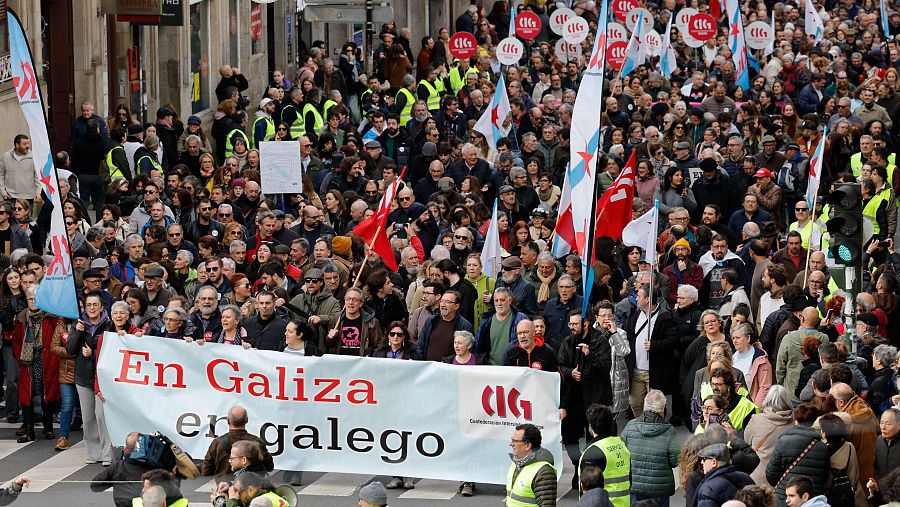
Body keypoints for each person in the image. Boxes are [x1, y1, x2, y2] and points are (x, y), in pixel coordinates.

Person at [620, 389, 680, 506]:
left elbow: (622, 453)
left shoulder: (630, 426)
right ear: (663, 407)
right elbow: (675, 461)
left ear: (645, 405)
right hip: (660, 488)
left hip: (635, 485)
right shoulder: (670, 431)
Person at [766, 404, 830, 505]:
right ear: (814, 421)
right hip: (811, 499)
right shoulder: (823, 447)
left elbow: (771, 474)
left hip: (785, 497)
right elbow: (825, 476)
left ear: (796, 420)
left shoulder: (783, 441)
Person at [90, 432, 169, 507]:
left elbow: (95, 486)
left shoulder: (117, 467)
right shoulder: (153, 467)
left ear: (126, 449)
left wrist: (115, 482)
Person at [201, 405, 274, 483]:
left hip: (225, 488)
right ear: (247, 420)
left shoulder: (217, 443)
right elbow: (269, 467)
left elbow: (206, 471)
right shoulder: (257, 442)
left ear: (228, 421)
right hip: (251, 488)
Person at [578, 404, 629, 507]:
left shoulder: (593, 451)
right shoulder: (622, 445)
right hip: (625, 503)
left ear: (591, 426)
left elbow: (588, 491)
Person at [506, 423, 557, 507]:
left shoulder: (544, 472)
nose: (511, 444)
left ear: (528, 445)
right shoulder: (516, 463)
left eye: (515, 441)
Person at [694, 443, 755, 507]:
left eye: (704, 459)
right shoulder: (746, 477)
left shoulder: (708, 489)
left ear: (714, 462)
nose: (701, 462)